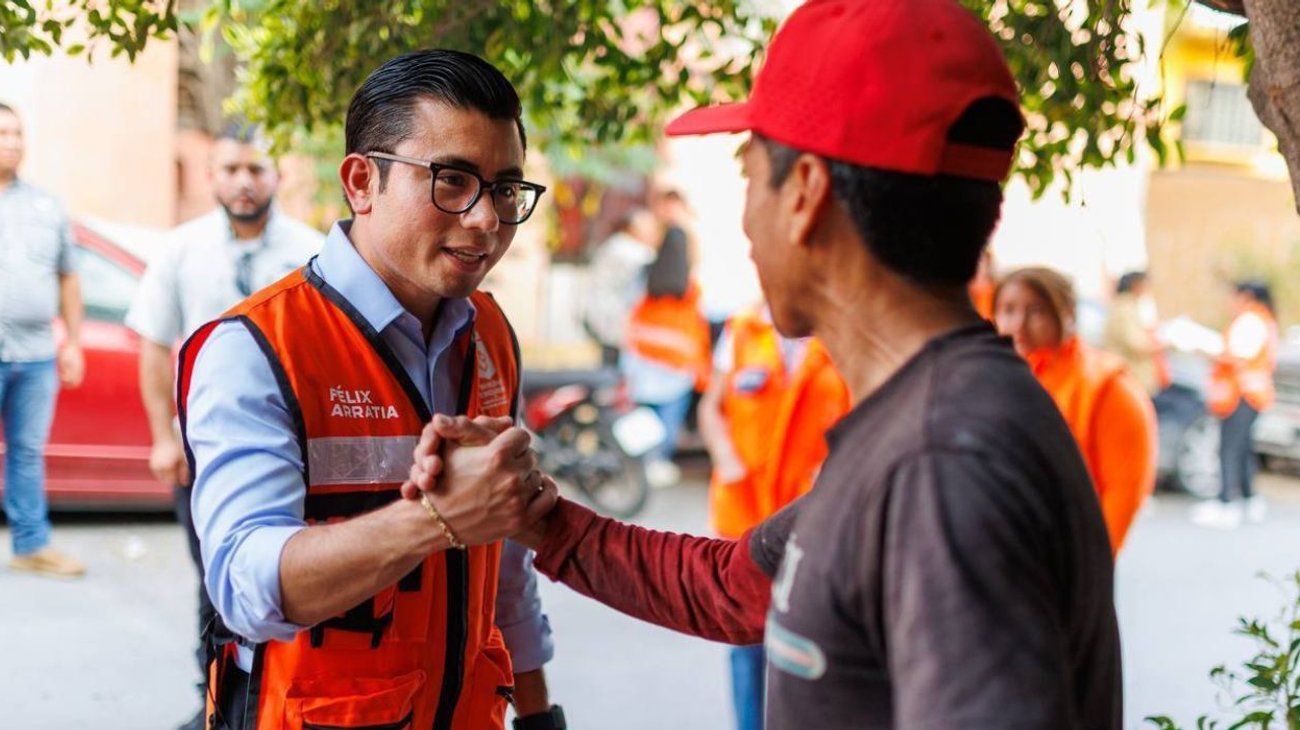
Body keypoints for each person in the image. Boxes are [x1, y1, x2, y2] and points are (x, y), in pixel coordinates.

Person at [413, 2, 1123, 727]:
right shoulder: (927, 424)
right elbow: (732, 586)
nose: (745, 224)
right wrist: (537, 517)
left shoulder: (942, 462)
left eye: (751, 178)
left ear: (806, 195)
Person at [177, 51, 563, 730]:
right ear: (362, 181)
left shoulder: (490, 335)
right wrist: (435, 521)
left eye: (505, 189)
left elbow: (504, 565)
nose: (484, 220)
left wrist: (536, 713)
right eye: (451, 180)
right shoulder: (257, 347)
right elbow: (244, 586)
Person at [124, 123, 324, 730]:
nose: (244, 182)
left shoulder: (312, 251)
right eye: (232, 169)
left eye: (256, 170)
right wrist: (165, 436)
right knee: (216, 580)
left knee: (293, 576)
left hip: (297, 452)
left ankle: (289, 696)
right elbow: (156, 345)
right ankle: (215, 701)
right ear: (212, 176)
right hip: (203, 454)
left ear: (278, 176)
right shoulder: (180, 250)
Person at [697, 304, 848, 730]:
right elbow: (712, 407)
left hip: (812, 516)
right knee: (745, 638)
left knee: (810, 639)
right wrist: (725, 456)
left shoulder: (839, 331)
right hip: (743, 513)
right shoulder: (742, 331)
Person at [994, 267, 1159, 553]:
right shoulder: (990, 378)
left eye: (1036, 312)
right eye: (1008, 310)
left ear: (1067, 313)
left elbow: (1124, 492)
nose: (1019, 324)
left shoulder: (1107, 387)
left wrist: (1090, 566)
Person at [0, 101, 87, 578]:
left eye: (18, 132)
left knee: (28, 451)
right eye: (3, 132)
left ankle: (31, 544)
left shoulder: (46, 206)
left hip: (35, 355)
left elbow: (68, 278)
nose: (12, 141)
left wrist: (72, 342)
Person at [623, 189, 711, 487]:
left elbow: (631, 313)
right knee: (669, 412)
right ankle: (658, 460)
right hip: (676, 361)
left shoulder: (645, 278)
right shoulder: (692, 286)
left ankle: (646, 460)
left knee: (649, 411)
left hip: (646, 356)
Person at [1192, 279, 1278, 529]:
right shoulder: (1263, 319)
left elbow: (1238, 356)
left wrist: (1208, 353)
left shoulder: (1250, 321)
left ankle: (1228, 501)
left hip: (1241, 394)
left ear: (1246, 296)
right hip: (1253, 393)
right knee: (1241, 448)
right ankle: (1248, 499)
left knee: (1229, 448)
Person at [582, 207, 660, 366]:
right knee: (614, 369)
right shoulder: (627, 249)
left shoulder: (616, 244)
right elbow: (655, 266)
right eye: (650, 228)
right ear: (633, 228)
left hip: (606, 315)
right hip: (611, 317)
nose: (654, 234)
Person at [1101, 270, 1169, 396]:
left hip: (1130, 378)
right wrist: (1165, 343)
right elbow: (1137, 345)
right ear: (1135, 285)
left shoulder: (1125, 306)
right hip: (1132, 377)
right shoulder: (1125, 309)